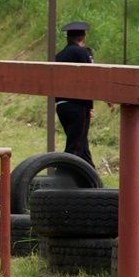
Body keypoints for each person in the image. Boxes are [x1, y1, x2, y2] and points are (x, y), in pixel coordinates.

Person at [55, 20, 95, 167]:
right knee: (75, 147)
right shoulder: (83, 53)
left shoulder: (58, 56)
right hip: (78, 106)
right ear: (83, 38)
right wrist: (90, 106)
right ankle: (63, 174)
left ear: (67, 38)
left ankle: (91, 175)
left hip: (61, 105)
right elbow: (90, 78)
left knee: (81, 144)